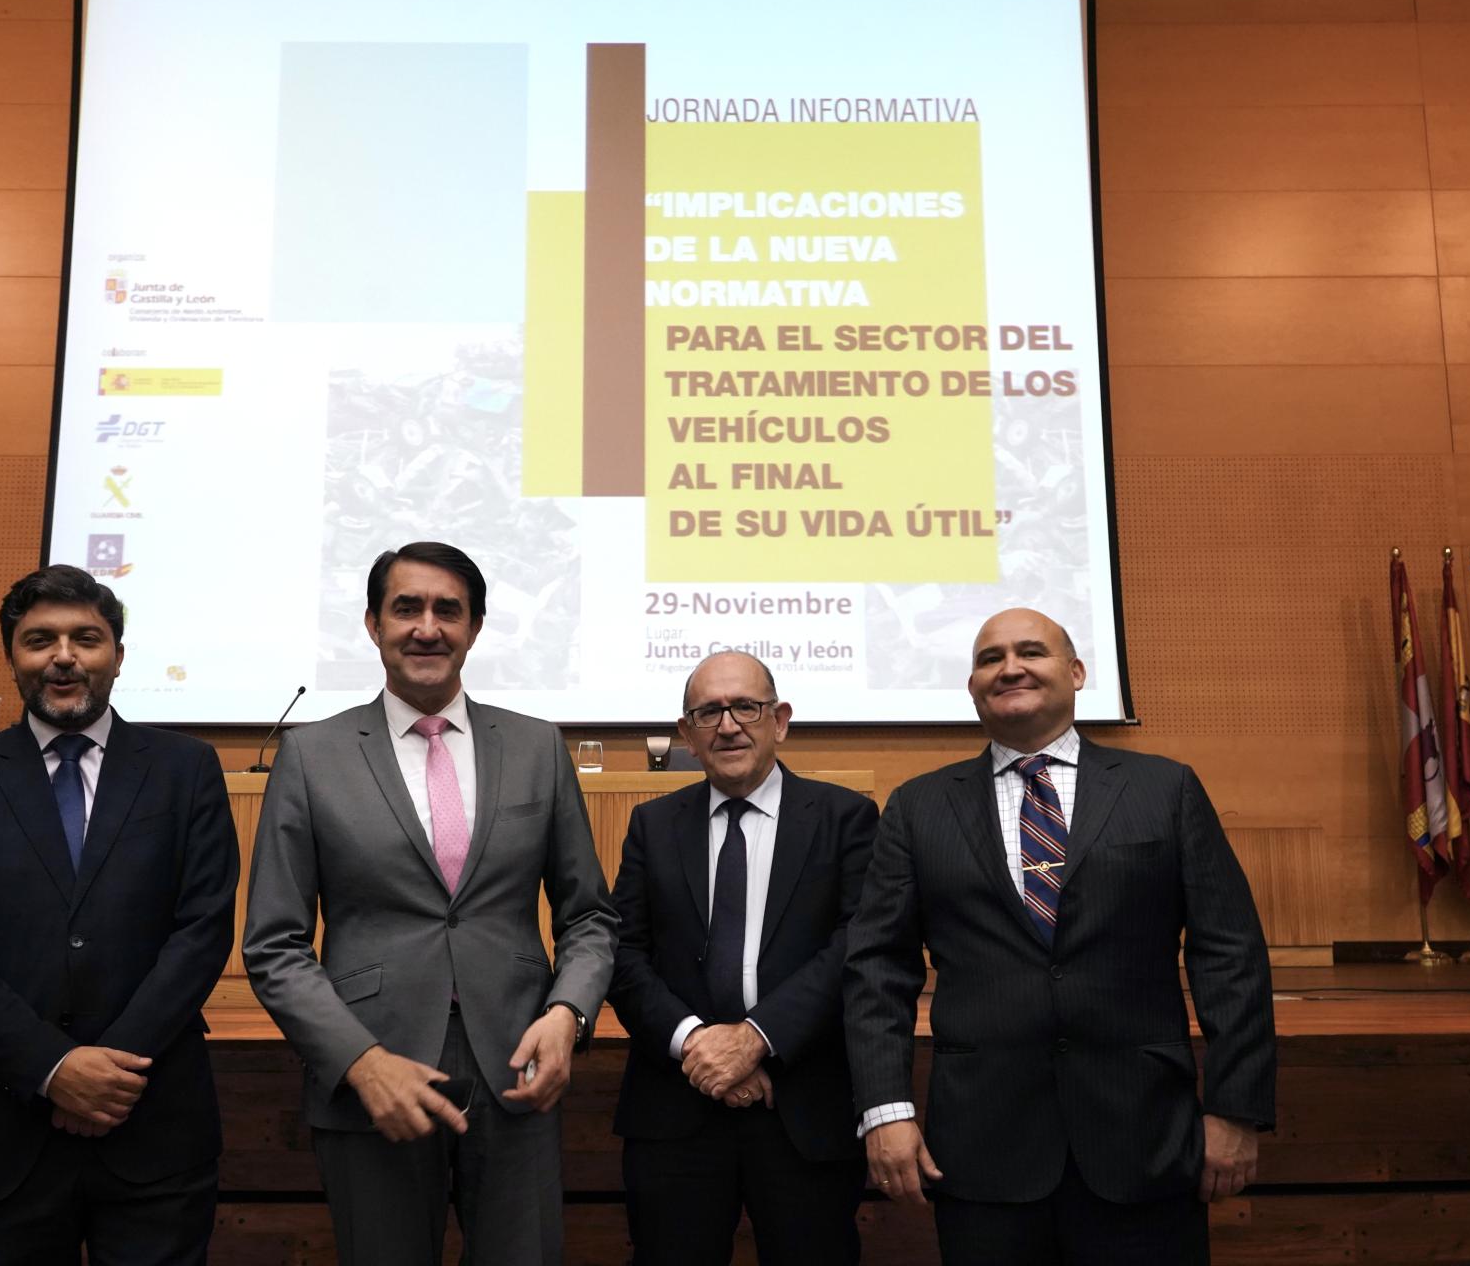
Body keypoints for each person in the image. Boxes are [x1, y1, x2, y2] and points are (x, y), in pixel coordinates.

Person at [844, 608, 1276, 1265]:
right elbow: (878, 968)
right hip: (984, 1150)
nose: (1009, 667)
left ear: (1076, 673)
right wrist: (885, 1110)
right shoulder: (918, 807)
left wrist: (1235, 1108)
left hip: (1146, 1141)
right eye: (990, 658)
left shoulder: (1164, 790)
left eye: (1030, 652)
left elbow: (1231, 954)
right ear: (971, 686)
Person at [243, 541, 615, 1266]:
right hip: (371, 1074)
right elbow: (273, 945)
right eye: (405, 607)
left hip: (519, 1069)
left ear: (474, 628)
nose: (426, 626)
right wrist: (358, 1062)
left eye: (448, 610)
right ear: (372, 624)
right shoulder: (311, 755)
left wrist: (567, 1014)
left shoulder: (538, 747)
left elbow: (589, 915)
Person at [0, 565, 240, 1264]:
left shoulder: (186, 769)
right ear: (12, 657)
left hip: (150, 1125)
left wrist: (107, 1075)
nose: (63, 656)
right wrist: (54, 1067)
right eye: (39, 640)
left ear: (117, 654)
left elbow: (201, 931)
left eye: (86, 638)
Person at [608, 650, 876, 1265]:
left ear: (779, 720)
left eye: (746, 708)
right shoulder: (653, 824)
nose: (727, 725)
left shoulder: (845, 818)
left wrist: (756, 1039)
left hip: (801, 1108)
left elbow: (857, 944)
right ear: (686, 735)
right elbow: (622, 951)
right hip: (676, 1112)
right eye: (708, 712)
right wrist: (696, 1043)